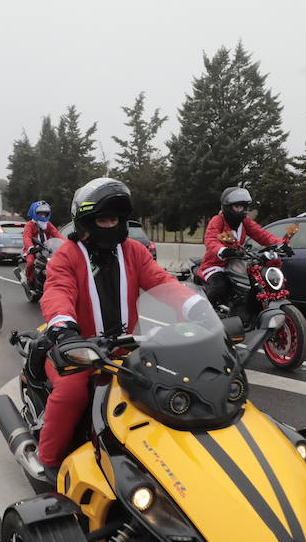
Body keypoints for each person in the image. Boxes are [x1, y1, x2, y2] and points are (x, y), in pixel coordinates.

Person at [37, 178, 200, 476]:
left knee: (171, 383)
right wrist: (64, 329)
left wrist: (195, 307)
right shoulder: (67, 255)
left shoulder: (134, 252)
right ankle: (48, 462)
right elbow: (57, 291)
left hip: (125, 350)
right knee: (73, 392)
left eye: (115, 218)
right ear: (86, 221)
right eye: (102, 218)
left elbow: (163, 283)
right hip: (77, 350)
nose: (110, 225)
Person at [196, 187, 297, 309]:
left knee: (254, 285)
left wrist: (281, 244)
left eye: (243, 207)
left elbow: (262, 235)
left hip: (237, 264)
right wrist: (223, 250)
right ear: (227, 207)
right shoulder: (218, 220)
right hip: (216, 265)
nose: (241, 210)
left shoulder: (245, 222)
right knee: (220, 286)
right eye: (237, 207)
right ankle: (204, 313)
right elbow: (211, 239)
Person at [21, 200, 61, 283]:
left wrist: (68, 244)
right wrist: (31, 247)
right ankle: (29, 278)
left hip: (47, 250)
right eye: (40, 214)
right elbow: (27, 237)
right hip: (33, 250)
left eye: (45, 214)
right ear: (35, 213)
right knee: (31, 263)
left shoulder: (48, 224)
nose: (43, 216)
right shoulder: (30, 225)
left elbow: (57, 235)